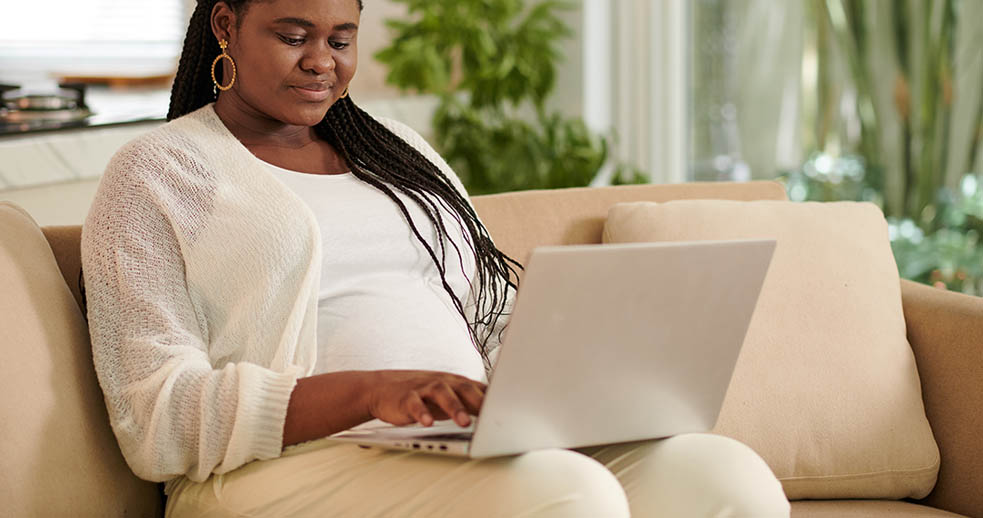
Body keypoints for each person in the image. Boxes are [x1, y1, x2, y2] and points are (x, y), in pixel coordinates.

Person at [80, 0, 792, 516]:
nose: (321, 62)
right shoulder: (157, 173)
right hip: (275, 469)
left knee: (724, 477)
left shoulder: (397, 150)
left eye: (341, 38)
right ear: (226, 25)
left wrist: (562, 382)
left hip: (466, 446)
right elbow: (157, 420)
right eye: (293, 36)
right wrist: (369, 392)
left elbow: (488, 311)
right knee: (566, 496)